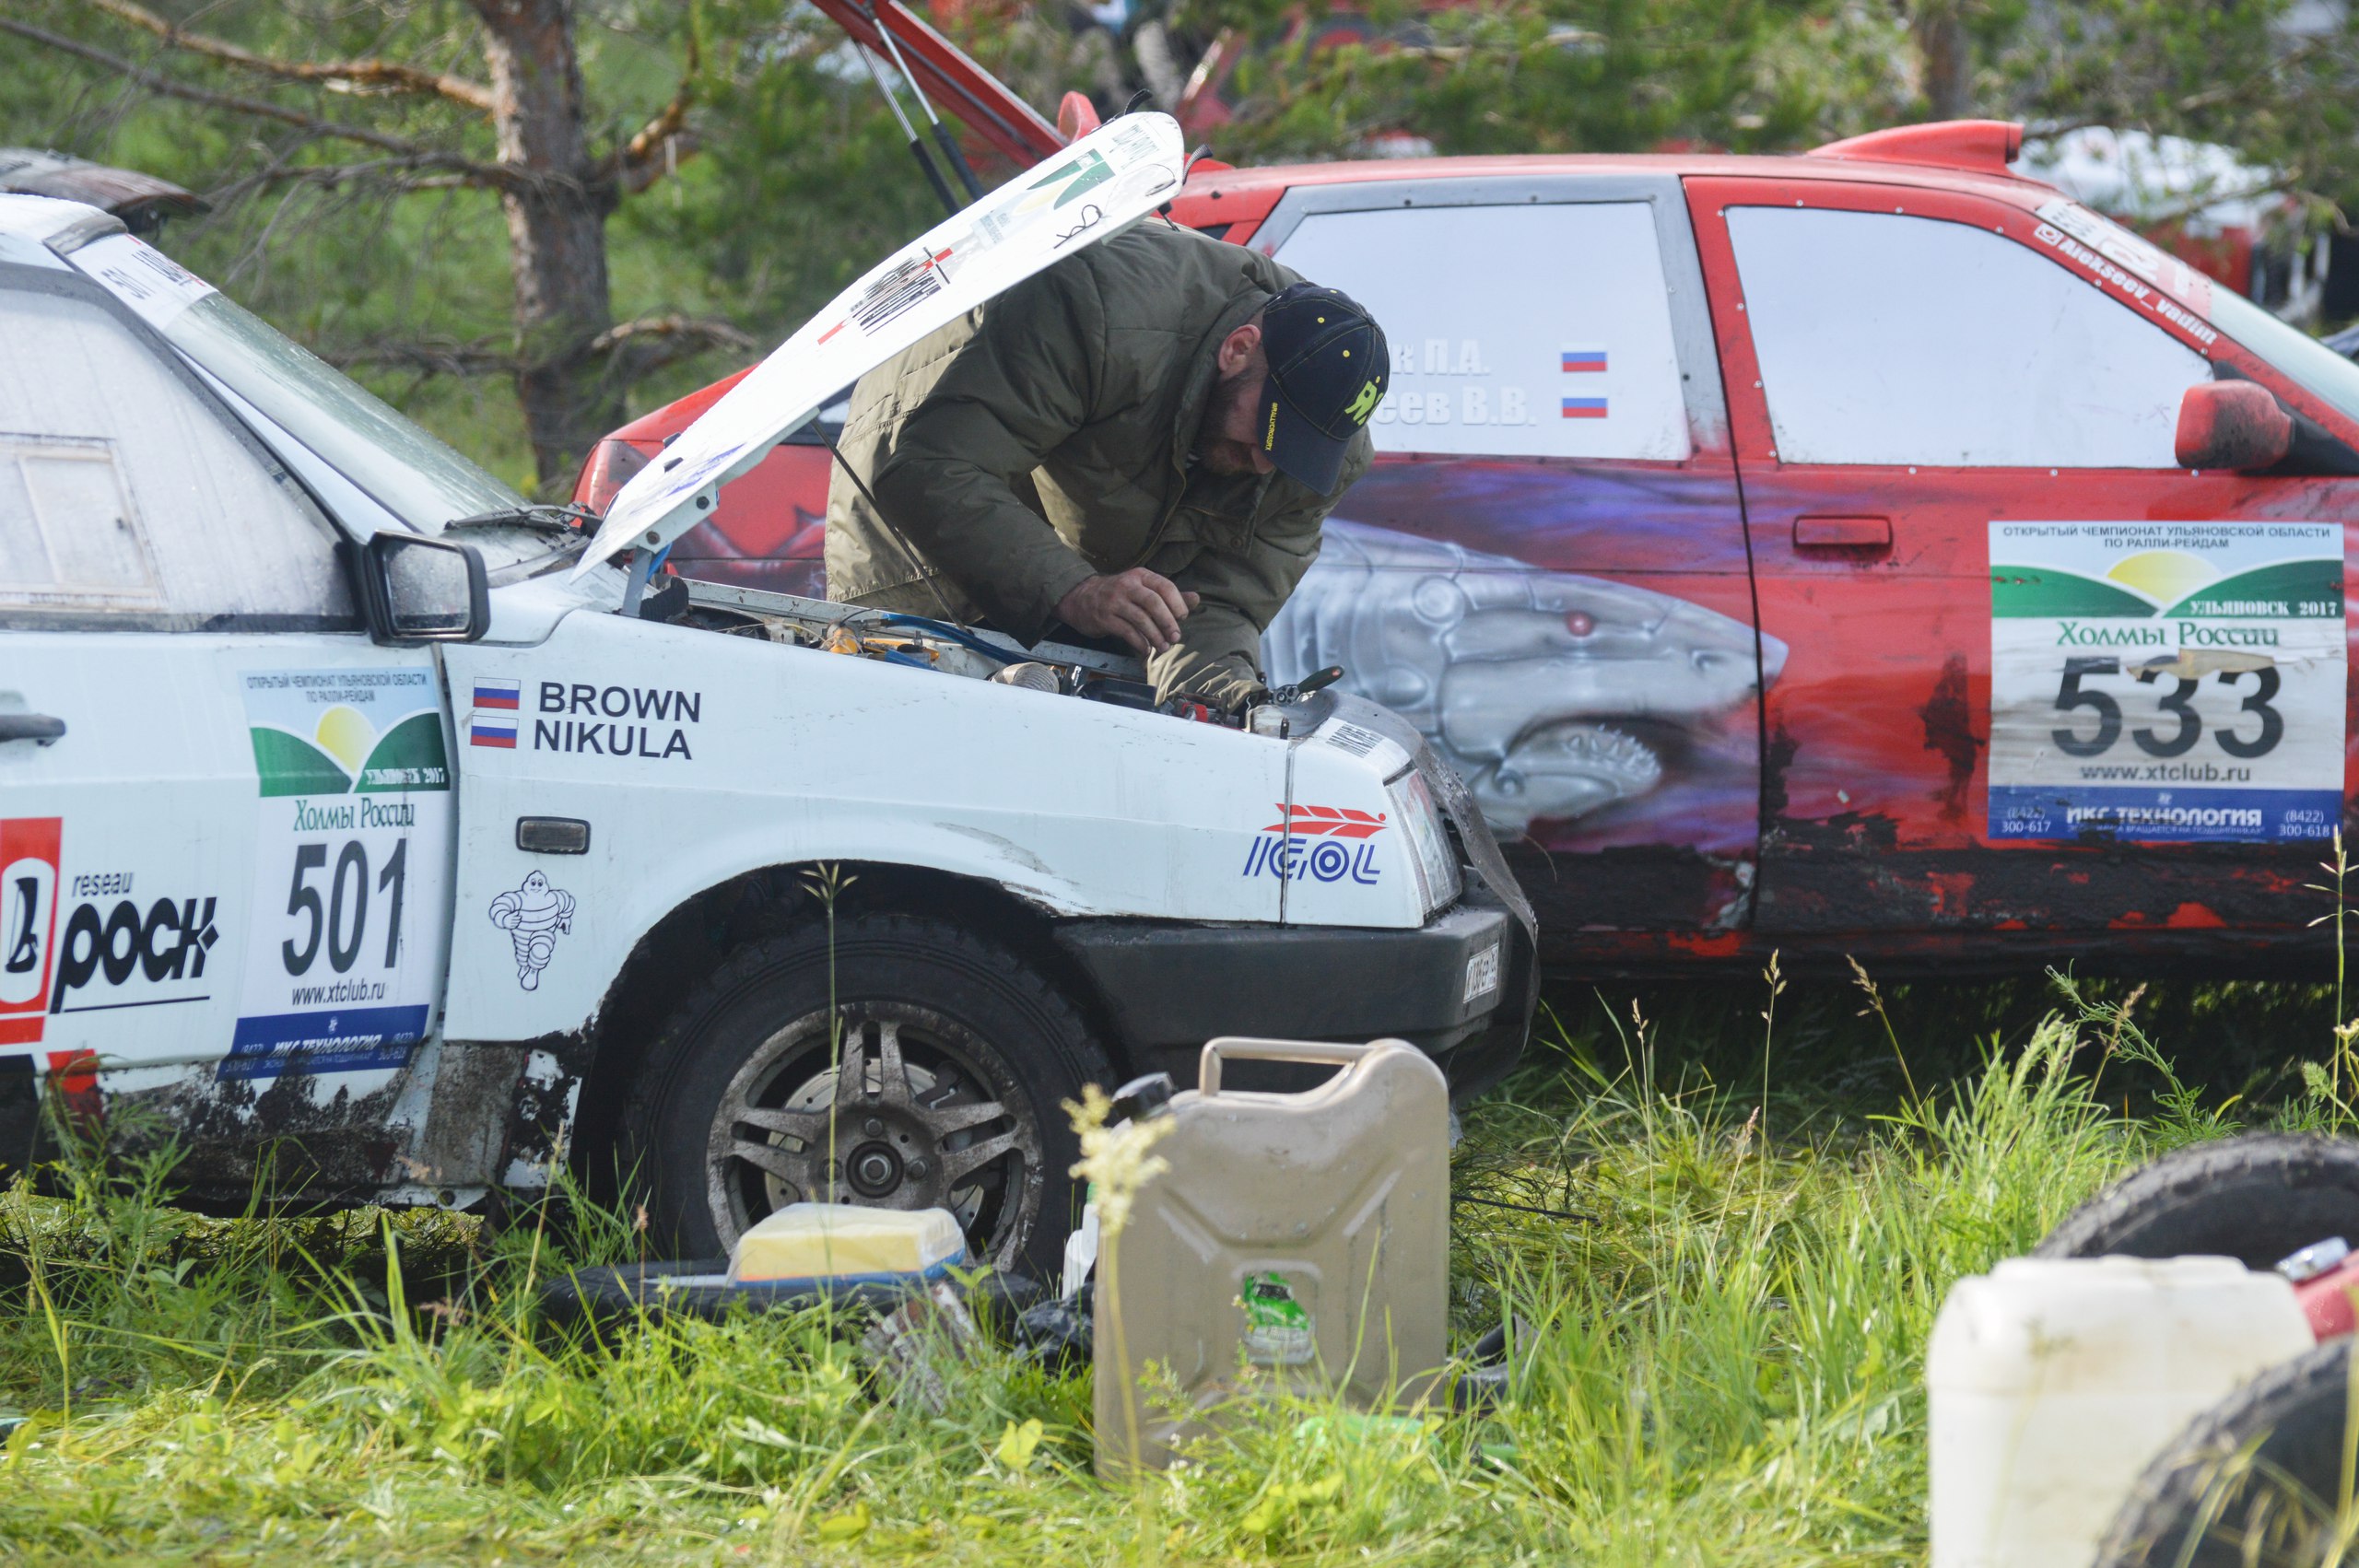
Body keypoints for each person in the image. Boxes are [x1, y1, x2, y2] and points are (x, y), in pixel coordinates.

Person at [824, 215, 1389, 713]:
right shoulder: (1098, 308)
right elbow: (930, 471)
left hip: (1074, 519)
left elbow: (1216, 602)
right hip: (914, 493)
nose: (1267, 465)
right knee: (911, 724)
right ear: (1237, 350)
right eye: (1269, 433)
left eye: (1292, 449)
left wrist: (1227, 695)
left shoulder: (1322, 459)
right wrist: (1077, 590)